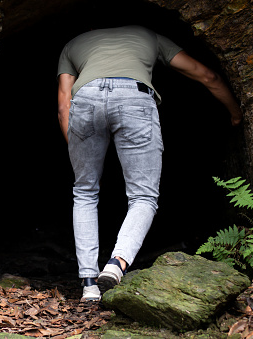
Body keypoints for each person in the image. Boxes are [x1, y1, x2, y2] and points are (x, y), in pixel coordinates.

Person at [57, 25, 243, 302]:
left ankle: (88, 284)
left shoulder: (73, 43)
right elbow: (208, 75)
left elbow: (64, 104)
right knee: (143, 196)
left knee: (84, 191)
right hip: (134, 97)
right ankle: (116, 264)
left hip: (86, 98)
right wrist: (236, 113)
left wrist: (79, 152)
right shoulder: (151, 37)